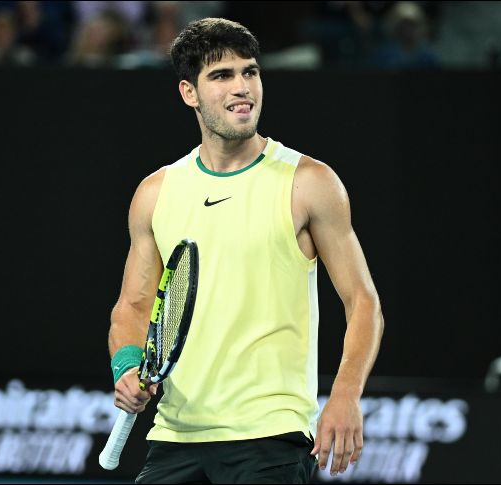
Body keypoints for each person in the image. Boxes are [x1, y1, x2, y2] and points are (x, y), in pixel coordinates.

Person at [107, 17, 384, 484]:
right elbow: (132, 306)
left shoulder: (309, 183)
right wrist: (128, 366)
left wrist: (345, 394)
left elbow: (364, 303)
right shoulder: (156, 193)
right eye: (222, 76)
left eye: (250, 72)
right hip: (176, 437)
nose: (242, 87)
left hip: (269, 438)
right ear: (188, 93)